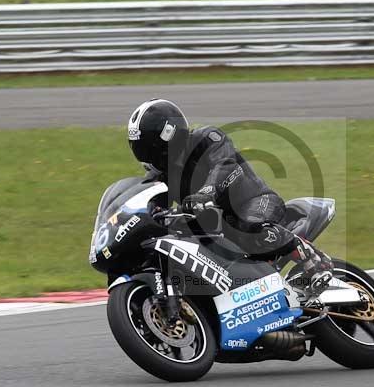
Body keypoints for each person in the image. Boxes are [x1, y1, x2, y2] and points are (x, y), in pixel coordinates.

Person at [127, 98, 333, 296]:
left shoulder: (206, 138)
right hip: (217, 227)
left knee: (247, 225)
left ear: (170, 134)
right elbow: (151, 202)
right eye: (140, 148)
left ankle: (312, 259)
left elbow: (226, 166)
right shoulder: (160, 176)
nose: (147, 155)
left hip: (256, 202)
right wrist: (141, 217)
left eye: (149, 146)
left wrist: (205, 193)